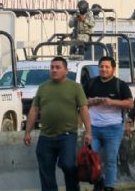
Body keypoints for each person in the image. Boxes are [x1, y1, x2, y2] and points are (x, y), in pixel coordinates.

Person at [24, 57, 92, 191]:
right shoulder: (43, 88)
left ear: (66, 70)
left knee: (68, 165)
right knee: (46, 171)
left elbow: (84, 109)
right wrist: (27, 132)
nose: (54, 70)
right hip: (46, 136)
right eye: (52, 67)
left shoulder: (75, 87)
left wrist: (88, 132)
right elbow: (34, 110)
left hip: (67, 136)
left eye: (58, 67)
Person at [83, 56, 133, 191]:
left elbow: (130, 103)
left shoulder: (120, 85)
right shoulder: (91, 83)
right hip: (93, 128)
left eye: (107, 67)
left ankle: (110, 186)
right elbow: (81, 102)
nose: (103, 69)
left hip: (114, 128)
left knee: (110, 159)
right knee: (92, 157)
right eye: (101, 67)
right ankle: (99, 181)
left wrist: (112, 102)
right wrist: (92, 101)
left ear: (113, 69)